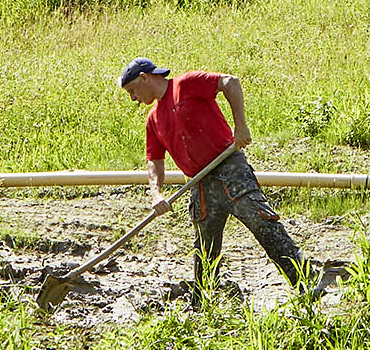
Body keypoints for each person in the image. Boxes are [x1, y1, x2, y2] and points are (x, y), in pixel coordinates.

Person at [118, 56, 320, 301]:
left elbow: (230, 82)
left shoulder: (187, 83)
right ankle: (203, 304)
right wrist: (156, 193)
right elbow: (154, 161)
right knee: (204, 249)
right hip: (200, 185)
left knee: (262, 223)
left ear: (144, 78)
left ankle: (307, 282)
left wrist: (241, 126)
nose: (133, 98)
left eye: (132, 91)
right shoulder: (154, 120)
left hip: (229, 168)